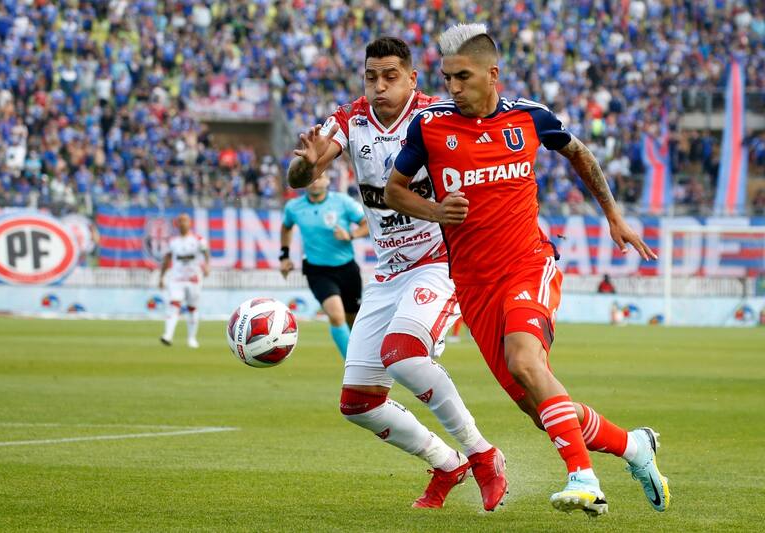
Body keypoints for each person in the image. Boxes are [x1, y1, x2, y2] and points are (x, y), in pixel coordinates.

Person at [385, 23, 670, 516]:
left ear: (492, 74)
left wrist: (613, 215)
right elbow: (393, 190)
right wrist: (435, 212)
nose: (452, 88)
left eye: (462, 77)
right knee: (539, 409)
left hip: (528, 264)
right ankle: (633, 446)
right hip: (472, 285)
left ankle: (583, 479)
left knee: (525, 361)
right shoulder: (429, 126)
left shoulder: (530, 117)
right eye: (447, 78)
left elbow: (578, 152)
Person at [287, 37, 507, 510]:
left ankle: (484, 455)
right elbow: (298, 177)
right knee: (358, 402)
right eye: (371, 77)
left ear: (412, 78)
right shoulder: (349, 119)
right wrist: (305, 167)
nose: (379, 86)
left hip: (440, 263)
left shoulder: (437, 118)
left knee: (404, 355)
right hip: (388, 273)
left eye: (390, 76)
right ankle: (448, 464)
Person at [280, 172, 369, 358]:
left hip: (347, 269)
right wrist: (284, 256)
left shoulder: (343, 202)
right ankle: (352, 364)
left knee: (353, 322)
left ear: (328, 180)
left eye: (319, 177)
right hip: (317, 271)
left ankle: (364, 361)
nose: (314, 182)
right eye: (310, 178)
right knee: (336, 316)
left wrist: (350, 235)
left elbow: (367, 224)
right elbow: (286, 227)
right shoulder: (294, 207)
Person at [158, 213, 209, 348]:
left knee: (192, 308)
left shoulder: (198, 239)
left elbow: (206, 252)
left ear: (190, 223)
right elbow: (167, 259)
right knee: (174, 305)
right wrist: (161, 276)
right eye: (180, 221)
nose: (183, 223)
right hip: (177, 279)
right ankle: (167, 335)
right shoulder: (173, 242)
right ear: (177, 224)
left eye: (185, 221)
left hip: (193, 278)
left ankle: (191, 339)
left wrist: (207, 266)